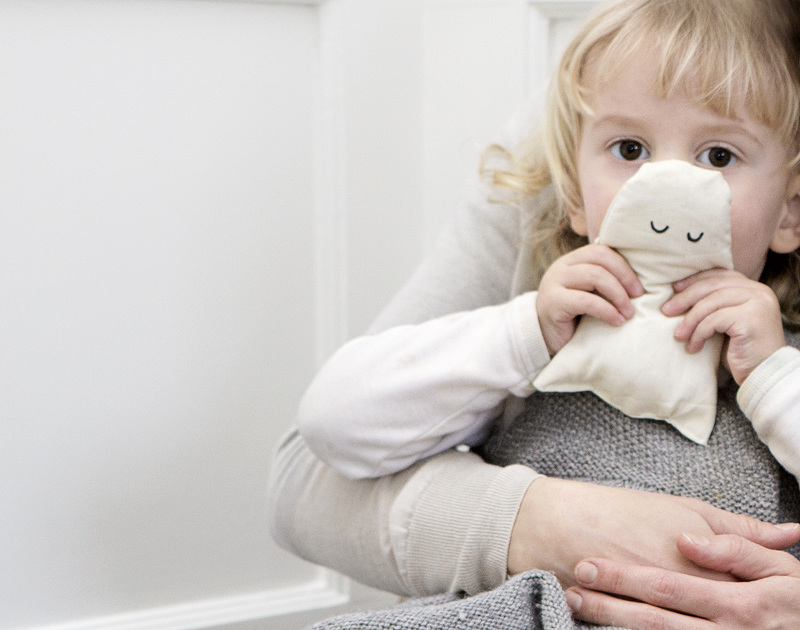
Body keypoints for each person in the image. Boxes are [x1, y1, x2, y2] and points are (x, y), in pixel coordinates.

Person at [270, 0, 800, 627]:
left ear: (790, 211)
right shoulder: (539, 328)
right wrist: (521, 337)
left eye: (718, 157)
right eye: (630, 148)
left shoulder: (777, 356)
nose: (663, 186)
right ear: (571, 190)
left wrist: (772, 377)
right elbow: (330, 430)